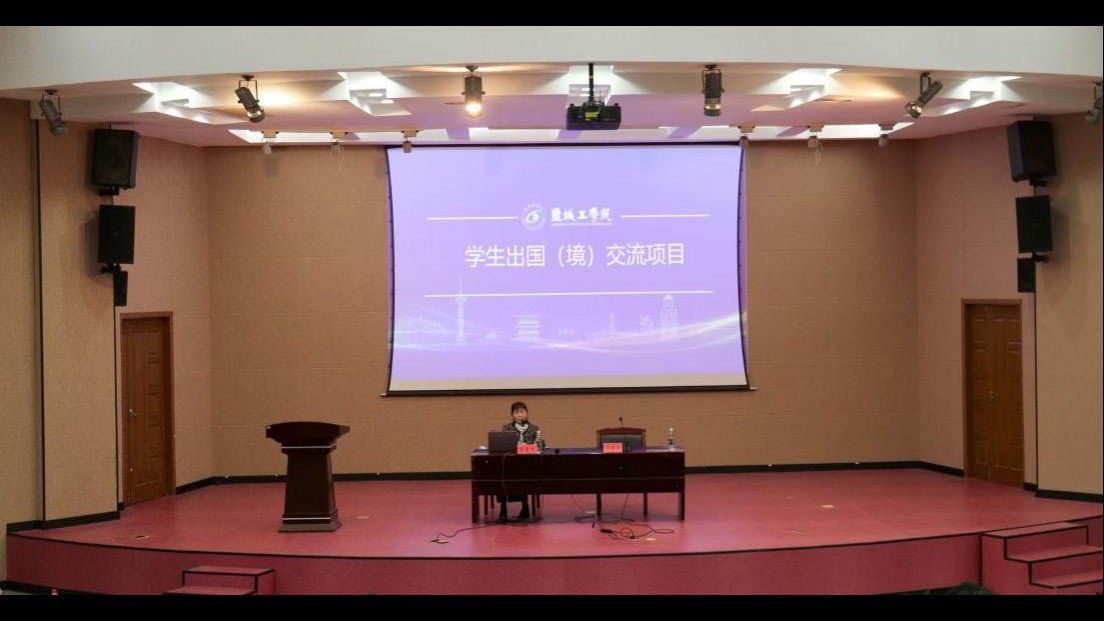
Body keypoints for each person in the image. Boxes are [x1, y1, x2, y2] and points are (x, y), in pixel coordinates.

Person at [497, 401, 540, 521]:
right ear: (512, 415)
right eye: (517, 412)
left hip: (527, 464)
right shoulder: (507, 428)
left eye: (522, 411)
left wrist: (532, 445)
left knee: (523, 476)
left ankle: (525, 507)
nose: (520, 414)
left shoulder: (534, 428)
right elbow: (503, 445)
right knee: (501, 474)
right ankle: (503, 507)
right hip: (510, 463)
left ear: (527, 413)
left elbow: (541, 446)